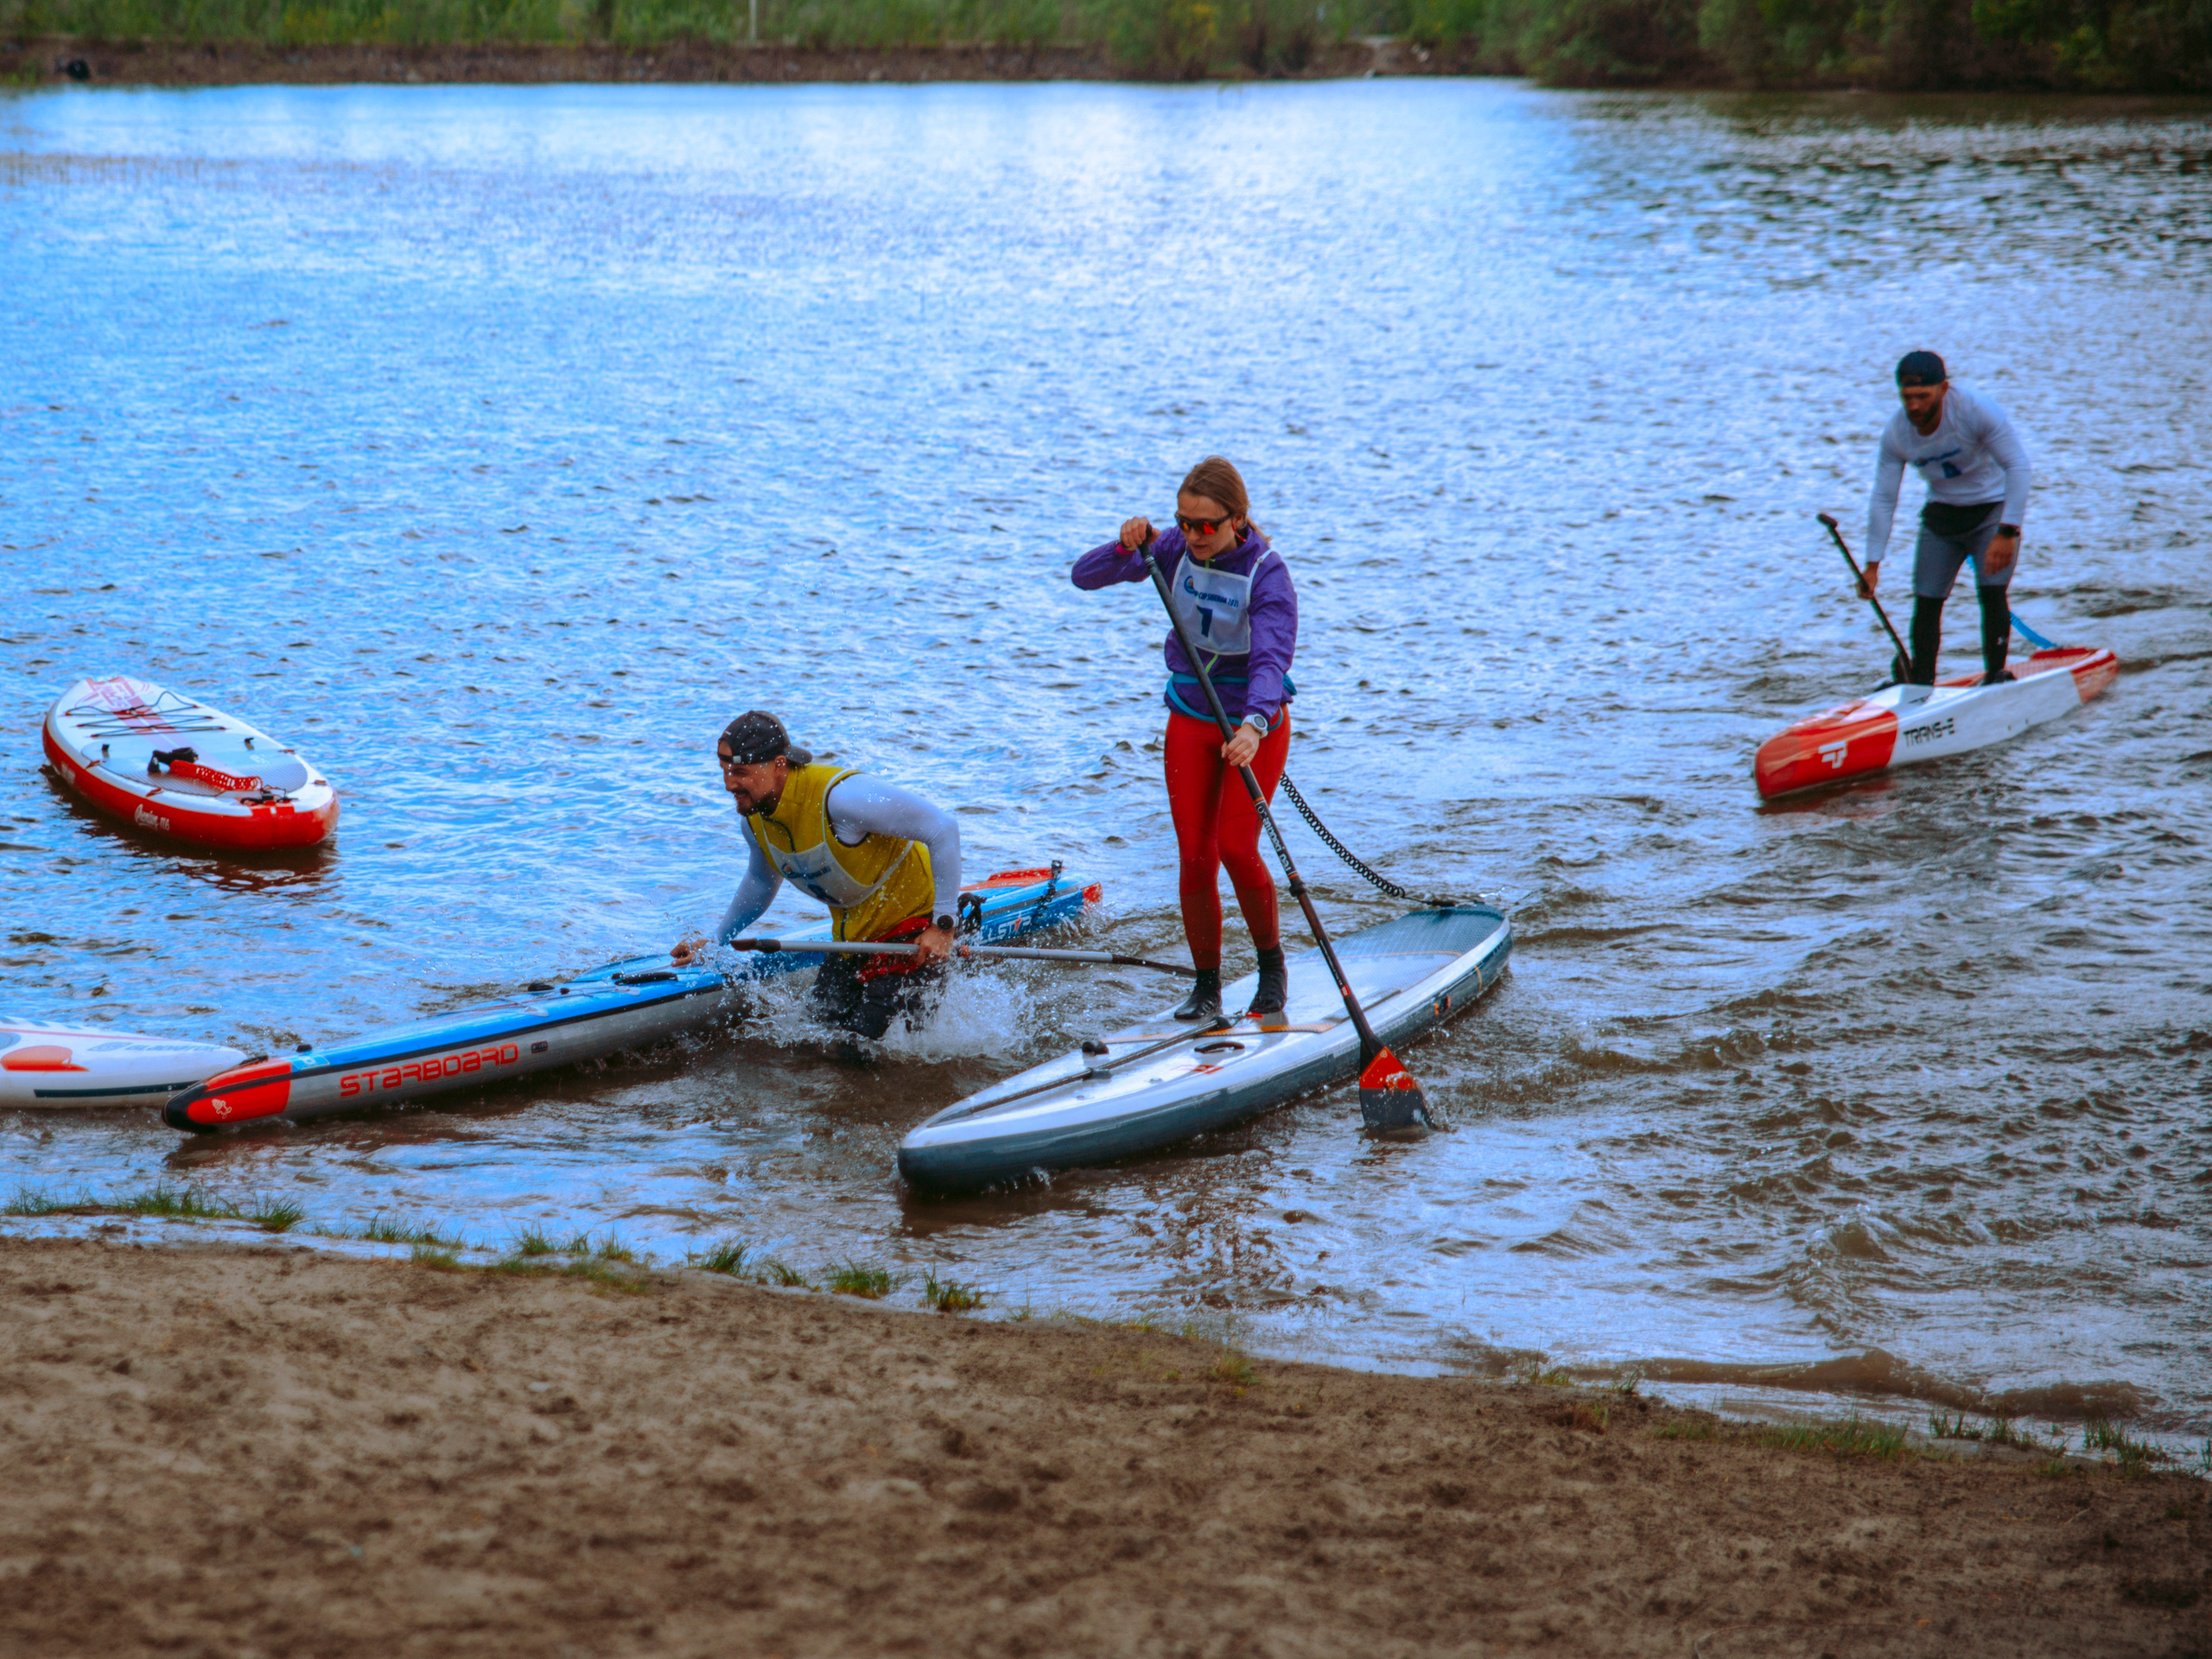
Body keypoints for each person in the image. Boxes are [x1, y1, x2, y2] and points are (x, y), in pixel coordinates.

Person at [1071, 455, 1296, 1023]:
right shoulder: (1170, 549)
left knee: (1236, 849)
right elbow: (1084, 575)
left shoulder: (1267, 573)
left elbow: (1271, 659)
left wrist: (1254, 724)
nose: (1193, 536)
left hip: (1252, 720)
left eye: (1205, 526)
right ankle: (1207, 987)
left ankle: (1271, 972)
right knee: (1196, 858)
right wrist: (1127, 545)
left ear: (1236, 521)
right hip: (1190, 715)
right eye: (1183, 522)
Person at [671, 711, 962, 1043]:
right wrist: (718, 939)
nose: (728, 784)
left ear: (779, 765)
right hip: (853, 942)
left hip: (916, 934)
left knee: (859, 1048)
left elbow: (943, 829)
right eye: (724, 770)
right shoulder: (754, 821)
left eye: (740, 772)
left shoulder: (842, 799)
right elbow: (761, 881)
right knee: (815, 1039)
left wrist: (943, 927)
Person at [1860, 350, 2034, 687]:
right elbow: (1884, 497)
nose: (1913, 406)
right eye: (1907, 397)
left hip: (1991, 512)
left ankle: (1996, 674)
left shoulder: (1975, 411)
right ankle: (1921, 682)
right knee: (1926, 601)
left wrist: (2008, 531)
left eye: (1923, 396)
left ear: (1944, 388)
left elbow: (2019, 466)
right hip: (1941, 517)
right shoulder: (1896, 433)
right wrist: (1872, 565)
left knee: (1991, 593)